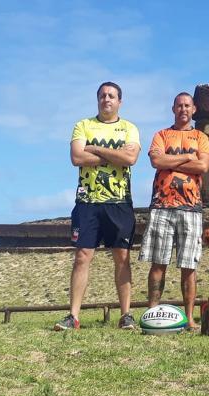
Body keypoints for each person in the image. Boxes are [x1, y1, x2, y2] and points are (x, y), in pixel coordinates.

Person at [55, 81, 141, 331]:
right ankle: (73, 316)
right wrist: (112, 154)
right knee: (82, 256)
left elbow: (130, 158)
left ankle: (126, 315)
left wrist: (95, 148)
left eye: (111, 96)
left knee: (122, 257)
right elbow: (77, 157)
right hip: (87, 203)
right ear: (97, 100)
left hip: (119, 202)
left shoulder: (129, 128)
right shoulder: (83, 125)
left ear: (119, 101)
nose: (107, 100)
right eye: (102, 96)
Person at [139, 92, 209, 330]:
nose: (183, 109)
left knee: (189, 266)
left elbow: (203, 165)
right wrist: (188, 156)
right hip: (162, 205)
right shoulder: (161, 135)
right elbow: (157, 162)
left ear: (194, 109)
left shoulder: (201, 137)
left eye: (187, 106)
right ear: (173, 109)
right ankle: (151, 312)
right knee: (158, 263)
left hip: (191, 208)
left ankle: (189, 318)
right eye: (179, 106)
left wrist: (174, 159)